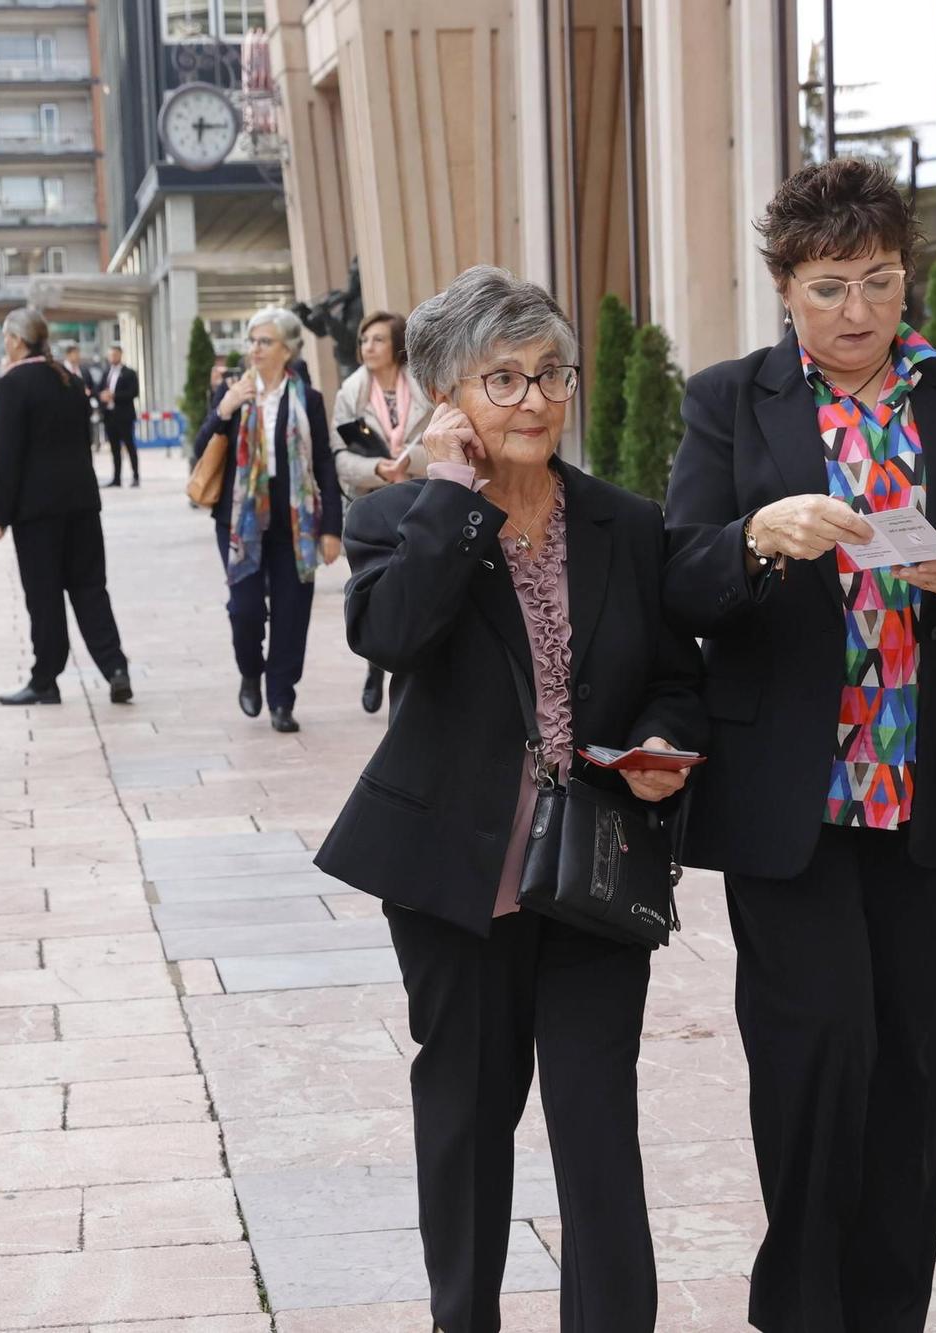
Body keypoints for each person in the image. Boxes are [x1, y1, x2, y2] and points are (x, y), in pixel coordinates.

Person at [662, 158, 936, 1333]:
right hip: (792, 797)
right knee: (812, 1056)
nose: (858, 312)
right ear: (783, 287)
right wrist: (755, 535)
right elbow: (678, 577)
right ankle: (797, 1311)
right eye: (829, 286)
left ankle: (888, 1313)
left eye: (880, 282)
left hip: (929, 792)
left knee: (910, 1069)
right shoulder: (729, 401)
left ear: (908, 278)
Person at [315, 265, 707, 1333]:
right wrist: (449, 491)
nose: (535, 400)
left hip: (593, 870)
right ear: (448, 397)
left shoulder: (625, 522)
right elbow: (390, 634)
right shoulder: (403, 516)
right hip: (456, 876)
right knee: (467, 1127)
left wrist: (664, 737)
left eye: (550, 373)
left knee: (595, 1130)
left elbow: (675, 670)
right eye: (503, 379)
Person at [193, 307, 342, 732]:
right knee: (245, 610)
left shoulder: (307, 399)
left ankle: (281, 699)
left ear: (288, 349)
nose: (254, 349)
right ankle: (249, 670)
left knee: (293, 613)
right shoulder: (232, 390)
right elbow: (202, 448)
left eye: (265, 341)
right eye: (252, 341)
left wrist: (332, 527)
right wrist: (223, 409)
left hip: (295, 522)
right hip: (239, 520)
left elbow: (324, 465)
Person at [0, 307, 132, 707]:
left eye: (5, 337)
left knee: (45, 594)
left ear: (16, 339)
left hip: (37, 511)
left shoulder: (14, 383)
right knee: (89, 587)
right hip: (81, 502)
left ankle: (45, 678)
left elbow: (6, 454)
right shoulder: (68, 379)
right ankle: (115, 667)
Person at [332, 311, 430, 715]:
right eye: (363, 340)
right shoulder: (350, 393)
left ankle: (398, 666)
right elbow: (339, 456)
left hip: (418, 500)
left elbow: (444, 438)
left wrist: (411, 460)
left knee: (415, 589)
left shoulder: (425, 388)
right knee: (378, 591)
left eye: (377, 340)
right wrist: (376, 469)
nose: (367, 347)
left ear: (397, 346)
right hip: (372, 508)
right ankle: (376, 666)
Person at [99, 344, 141, 488]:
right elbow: (99, 390)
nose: (112, 357)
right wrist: (102, 396)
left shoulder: (129, 373)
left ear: (120, 355)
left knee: (130, 446)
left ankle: (136, 476)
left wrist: (114, 396)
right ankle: (116, 478)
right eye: (110, 355)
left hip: (124, 416)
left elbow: (133, 392)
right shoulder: (106, 373)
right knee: (114, 449)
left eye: (115, 355)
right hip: (110, 417)